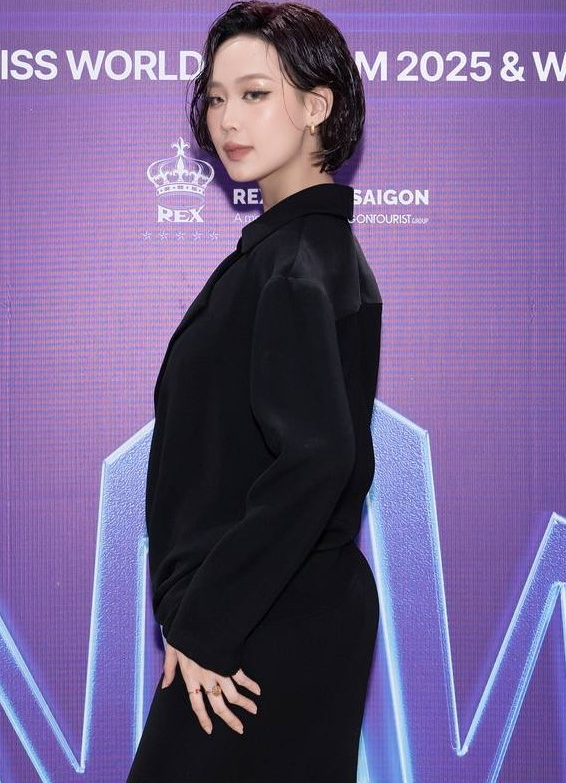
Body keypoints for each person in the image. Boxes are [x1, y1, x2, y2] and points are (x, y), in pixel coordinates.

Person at [126, 2, 382, 781]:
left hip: (262, 622)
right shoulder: (295, 253)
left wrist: (206, 624)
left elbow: (319, 457)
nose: (227, 118)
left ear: (317, 105)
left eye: (255, 94)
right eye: (215, 97)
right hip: (271, 609)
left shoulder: (296, 263)